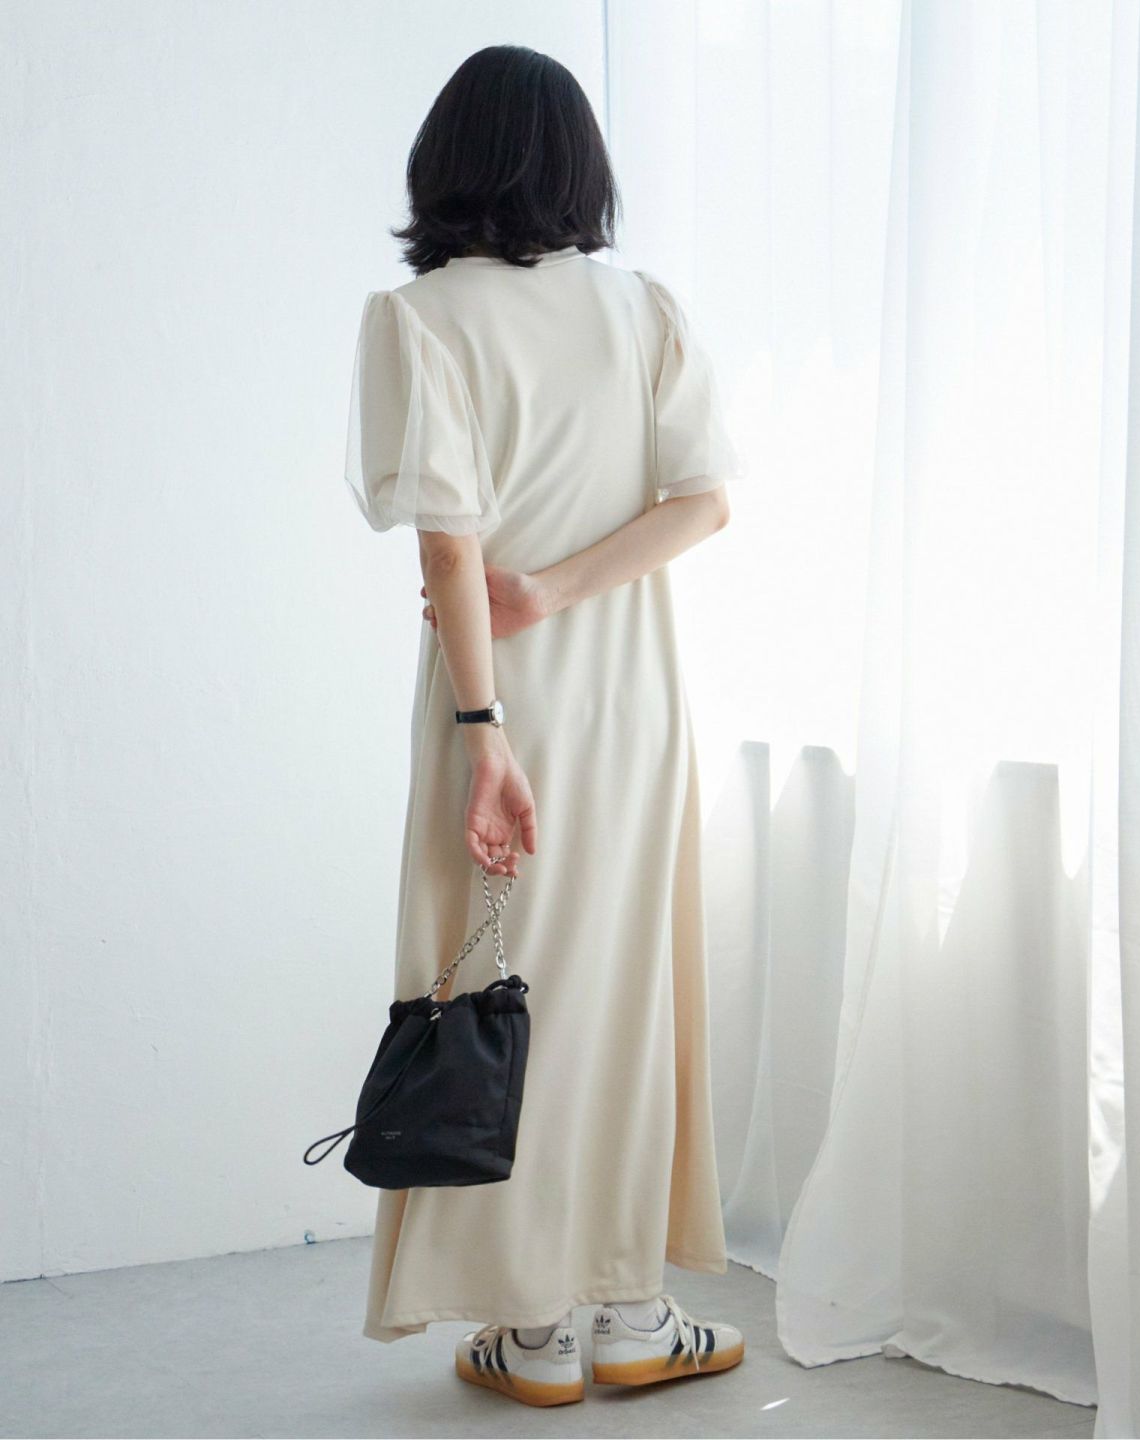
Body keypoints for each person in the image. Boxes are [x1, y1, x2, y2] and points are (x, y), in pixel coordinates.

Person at [342, 43, 744, 1407]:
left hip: (503, 709)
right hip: (635, 707)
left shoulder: (421, 321)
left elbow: (450, 550)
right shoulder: (644, 311)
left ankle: (535, 1329)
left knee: (494, 995)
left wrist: (486, 732)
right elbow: (704, 503)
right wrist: (563, 590)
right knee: (624, 994)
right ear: (581, 166)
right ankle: (631, 1311)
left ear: (443, 165)